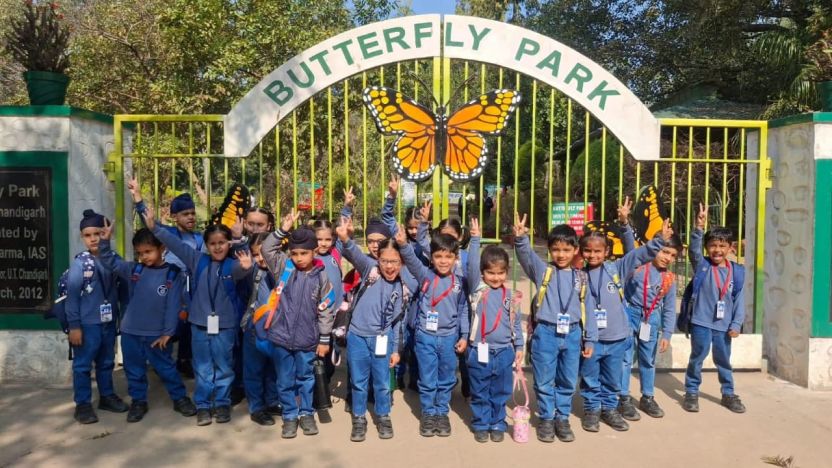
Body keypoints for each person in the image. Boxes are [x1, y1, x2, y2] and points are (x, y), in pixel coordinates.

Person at [142, 204, 253, 426]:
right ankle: (203, 404)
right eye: (213, 243)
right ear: (206, 245)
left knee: (223, 366)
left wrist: (246, 265)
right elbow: (174, 243)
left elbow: (242, 270)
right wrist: (154, 227)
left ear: (228, 243)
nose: (218, 247)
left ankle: (221, 403)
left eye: (222, 242)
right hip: (199, 324)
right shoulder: (196, 260)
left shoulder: (232, 265)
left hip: (225, 326)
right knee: (202, 367)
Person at [578, 199, 672, 433]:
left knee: (612, 378)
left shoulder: (616, 268)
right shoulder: (577, 276)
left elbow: (638, 255)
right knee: (590, 378)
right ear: (581, 252)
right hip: (591, 340)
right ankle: (591, 410)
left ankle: (609, 409)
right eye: (587, 251)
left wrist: (658, 239)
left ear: (607, 252)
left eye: (597, 251)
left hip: (618, 337)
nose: (592, 255)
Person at [98, 224, 197, 422]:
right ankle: (138, 401)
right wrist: (104, 241)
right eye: (140, 253)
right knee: (134, 370)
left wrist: (168, 333)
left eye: (148, 251)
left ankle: (180, 399)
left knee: (166, 368)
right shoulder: (134, 270)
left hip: (157, 335)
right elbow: (110, 261)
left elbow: (173, 306)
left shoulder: (172, 274)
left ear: (162, 249)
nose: (144, 257)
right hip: (130, 332)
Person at [514, 214, 598, 443]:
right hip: (546, 334)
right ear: (550, 250)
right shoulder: (544, 272)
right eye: (556, 249)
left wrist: (589, 340)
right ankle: (546, 418)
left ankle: (562, 417)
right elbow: (526, 257)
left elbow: (588, 310)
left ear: (575, 251)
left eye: (566, 250)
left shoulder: (581, 277)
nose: (561, 255)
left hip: (572, 334)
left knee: (568, 380)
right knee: (543, 380)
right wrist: (521, 238)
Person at [337, 216, 416, 441]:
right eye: (385, 260)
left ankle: (383, 416)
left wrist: (395, 350)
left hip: (383, 338)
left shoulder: (403, 285)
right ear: (377, 259)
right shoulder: (369, 269)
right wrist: (345, 237)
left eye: (394, 261)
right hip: (358, 337)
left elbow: (398, 321)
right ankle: (359, 417)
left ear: (401, 263)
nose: (389, 266)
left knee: (382, 383)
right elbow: (352, 252)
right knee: (359, 382)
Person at [260, 217, 337, 439]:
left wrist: (324, 340)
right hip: (281, 338)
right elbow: (267, 248)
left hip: (307, 340)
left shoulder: (322, 276)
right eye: (294, 253)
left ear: (314, 251)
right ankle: (290, 416)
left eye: (304, 253)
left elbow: (326, 310)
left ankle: (306, 414)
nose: (299, 258)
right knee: (285, 381)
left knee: (306, 378)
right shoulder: (283, 267)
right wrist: (282, 230)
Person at [396, 225, 470, 438]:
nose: (443, 261)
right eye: (438, 256)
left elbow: (464, 310)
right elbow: (411, 259)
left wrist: (464, 336)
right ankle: (428, 413)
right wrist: (402, 243)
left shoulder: (460, 282)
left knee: (446, 377)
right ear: (432, 257)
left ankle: (441, 412)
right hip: (425, 337)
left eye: (448, 256)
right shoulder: (425, 276)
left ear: (456, 258)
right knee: (427, 377)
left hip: (449, 338)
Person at [129, 179, 202, 378]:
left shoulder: (199, 238)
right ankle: (161, 361)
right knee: (167, 323)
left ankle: (184, 360)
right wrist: (137, 198)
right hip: (167, 285)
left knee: (188, 324)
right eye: (185, 214)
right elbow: (148, 222)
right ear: (174, 216)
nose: (190, 217)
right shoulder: (166, 233)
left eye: (193, 213)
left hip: (190, 289)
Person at [66, 209, 129, 424]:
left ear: (107, 234)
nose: (94, 239)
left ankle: (106, 396)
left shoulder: (113, 260)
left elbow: (123, 287)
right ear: (82, 237)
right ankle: (83, 404)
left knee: (106, 362)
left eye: (99, 233)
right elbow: (72, 297)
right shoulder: (80, 264)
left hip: (108, 322)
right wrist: (74, 326)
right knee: (83, 365)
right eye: (88, 235)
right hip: (86, 325)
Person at [682, 203, 746, 414]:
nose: (717, 250)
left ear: (730, 248)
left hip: (723, 326)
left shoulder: (737, 272)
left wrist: (736, 324)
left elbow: (739, 300)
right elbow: (693, 249)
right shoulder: (702, 265)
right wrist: (699, 228)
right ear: (707, 247)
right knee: (697, 358)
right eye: (712, 245)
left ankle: (728, 393)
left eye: (722, 246)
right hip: (700, 322)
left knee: (723, 360)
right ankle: (691, 392)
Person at [465, 218, 523, 443]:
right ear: (482, 273)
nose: (496, 278)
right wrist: (475, 238)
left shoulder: (511, 296)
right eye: (491, 273)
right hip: (479, 351)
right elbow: (470, 265)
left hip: (504, 352)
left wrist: (519, 346)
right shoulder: (478, 289)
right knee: (479, 391)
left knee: (500, 391)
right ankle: (481, 423)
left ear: (507, 272)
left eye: (500, 273)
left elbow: (516, 323)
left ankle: (498, 422)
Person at [618, 226, 684, 421]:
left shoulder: (669, 278)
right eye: (664, 252)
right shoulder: (637, 266)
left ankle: (647, 397)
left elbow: (670, 308)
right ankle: (623, 398)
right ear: (654, 247)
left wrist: (667, 334)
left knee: (648, 360)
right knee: (625, 358)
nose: (667, 258)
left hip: (652, 318)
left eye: (672, 255)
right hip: (629, 314)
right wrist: (624, 224)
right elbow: (630, 247)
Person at [240, 232, 282, 426]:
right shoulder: (252, 270)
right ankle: (257, 407)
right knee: (254, 370)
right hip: (254, 329)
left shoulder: (283, 271)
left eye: (263, 254)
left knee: (274, 368)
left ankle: (272, 401)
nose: (260, 259)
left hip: (278, 330)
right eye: (256, 254)